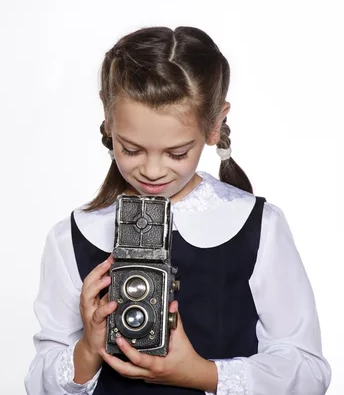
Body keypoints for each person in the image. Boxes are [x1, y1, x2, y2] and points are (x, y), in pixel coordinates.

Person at [24, 26, 331, 395]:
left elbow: (308, 372)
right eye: (132, 149)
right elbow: (40, 379)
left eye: (177, 153)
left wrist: (201, 373)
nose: (152, 170)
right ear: (108, 120)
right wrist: (87, 349)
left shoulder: (257, 226)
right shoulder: (73, 234)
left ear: (215, 125)